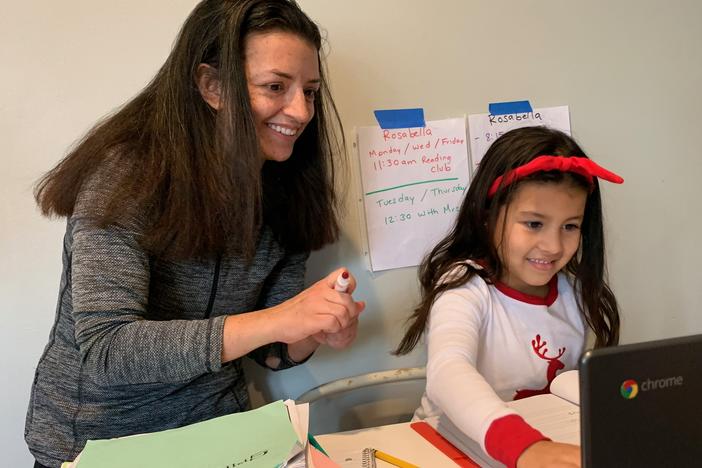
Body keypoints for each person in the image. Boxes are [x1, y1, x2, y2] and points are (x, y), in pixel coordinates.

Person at [25, 1, 364, 467]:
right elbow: (107, 349)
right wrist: (281, 318)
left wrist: (314, 329)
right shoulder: (125, 176)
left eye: (310, 91)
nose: (301, 111)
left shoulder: (288, 191)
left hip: (223, 437)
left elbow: (270, 352)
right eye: (275, 87)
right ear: (212, 86)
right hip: (99, 444)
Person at [395, 126, 623, 468]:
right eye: (533, 224)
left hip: (536, 444)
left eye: (570, 226)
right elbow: (448, 371)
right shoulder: (464, 285)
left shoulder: (573, 293)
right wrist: (523, 447)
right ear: (488, 216)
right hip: (445, 450)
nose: (553, 246)